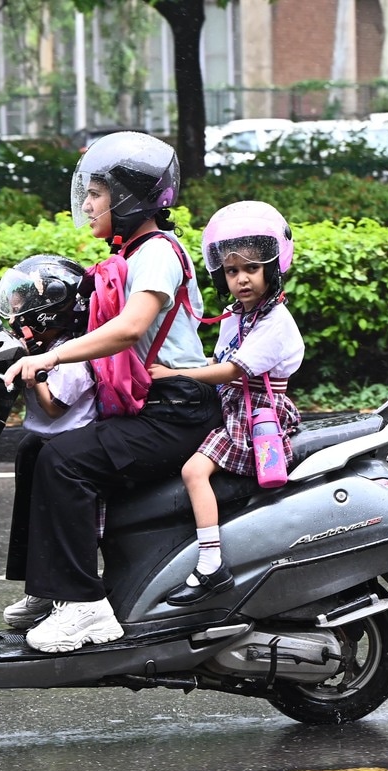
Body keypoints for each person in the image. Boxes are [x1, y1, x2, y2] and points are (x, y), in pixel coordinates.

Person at [0, 131, 220, 653]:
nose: (88, 203)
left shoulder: (158, 253)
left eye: (97, 193)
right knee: (35, 450)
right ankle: (48, 589)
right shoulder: (133, 254)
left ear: (129, 199)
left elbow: (129, 327)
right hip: (152, 405)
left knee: (66, 462)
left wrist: (51, 357)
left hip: (177, 411)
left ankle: (85, 606)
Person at [148, 200, 304, 605]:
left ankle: (211, 565)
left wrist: (174, 375)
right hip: (230, 405)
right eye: (232, 271)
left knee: (194, 472)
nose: (242, 280)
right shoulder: (237, 315)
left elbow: (231, 371)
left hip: (254, 416)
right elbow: (215, 362)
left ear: (271, 268)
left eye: (251, 269)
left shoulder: (275, 322)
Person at [0, 254, 101, 628]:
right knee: (27, 456)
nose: (18, 312)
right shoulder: (43, 347)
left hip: (70, 442)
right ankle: (40, 588)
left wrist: (35, 370)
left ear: (51, 312)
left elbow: (54, 407)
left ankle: (63, 592)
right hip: (41, 444)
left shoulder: (74, 352)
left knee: (44, 465)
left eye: (26, 305)